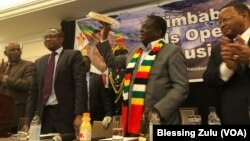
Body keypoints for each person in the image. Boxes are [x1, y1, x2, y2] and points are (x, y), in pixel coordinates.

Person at [96, 15, 189, 135]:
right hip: (133, 124)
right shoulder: (134, 53)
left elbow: (181, 87)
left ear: (158, 32)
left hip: (160, 123)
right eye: (141, 27)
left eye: (146, 27)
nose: (141, 30)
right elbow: (111, 62)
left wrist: (158, 111)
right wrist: (105, 35)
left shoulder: (172, 51)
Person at [25, 28, 87, 138]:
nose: (47, 39)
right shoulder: (39, 62)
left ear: (61, 39)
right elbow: (33, 93)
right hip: (44, 115)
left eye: (51, 36)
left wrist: (79, 115)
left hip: (66, 114)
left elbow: (80, 86)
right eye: (45, 37)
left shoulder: (73, 56)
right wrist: (28, 120)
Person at [203, 2, 250, 124]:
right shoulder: (219, 49)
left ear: (244, 16)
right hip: (235, 118)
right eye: (219, 23)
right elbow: (208, 80)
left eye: (226, 19)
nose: (222, 25)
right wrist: (227, 68)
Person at [0, 43, 34, 133]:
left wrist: (4, 78)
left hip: (16, 113)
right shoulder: (2, 66)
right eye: (12, 50)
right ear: (5, 53)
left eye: (18, 49)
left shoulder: (28, 65)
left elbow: (27, 85)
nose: (16, 52)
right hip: (2, 113)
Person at [82, 55, 114, 127]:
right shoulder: (75, 78)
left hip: (96, 116)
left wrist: (108, 114)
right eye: (84, 63)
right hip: (81, 117)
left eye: (88, 62)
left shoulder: (97, 78)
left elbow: (104, 98)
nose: (86, 64)